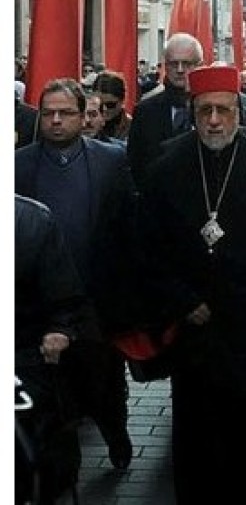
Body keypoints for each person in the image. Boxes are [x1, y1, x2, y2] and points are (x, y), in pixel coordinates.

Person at [135, 65, 246, 503]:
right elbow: (147, 251)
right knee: (198, 442)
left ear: (238, 114)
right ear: (192, 112)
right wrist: (182, 300)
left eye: (223, 111)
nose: (214, 120)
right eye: (205, 110)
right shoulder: (165, 169)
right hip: (195, 336)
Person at [16, 78, 139, 470]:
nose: (55, 121)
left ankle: (116, 436)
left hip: (96, 298)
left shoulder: (111, 160)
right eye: (48, 113)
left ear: (83, 114)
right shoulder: (19, 165)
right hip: (44, 305)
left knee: (104, 382)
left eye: (65, 113)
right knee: (56, 392)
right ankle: (61, 464)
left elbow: (126, 226)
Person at [15, 194, 97, 505]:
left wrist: (59, 328)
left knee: (33, 446)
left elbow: (63, 293)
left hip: (22, 354)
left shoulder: (33, 219)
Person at [126, 33, 202, 177]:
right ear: (165, 66)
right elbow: (136, 163)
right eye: (174, 64)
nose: (180, 70)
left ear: (199, 65)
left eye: (186, 64)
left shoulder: (213, 108)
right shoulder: (145, 112)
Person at [91, 70, 133, 142]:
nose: (104, 109)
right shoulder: (85, 123)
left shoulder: (133, 127)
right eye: (99, 105)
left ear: (122, 101)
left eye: (110, 105)